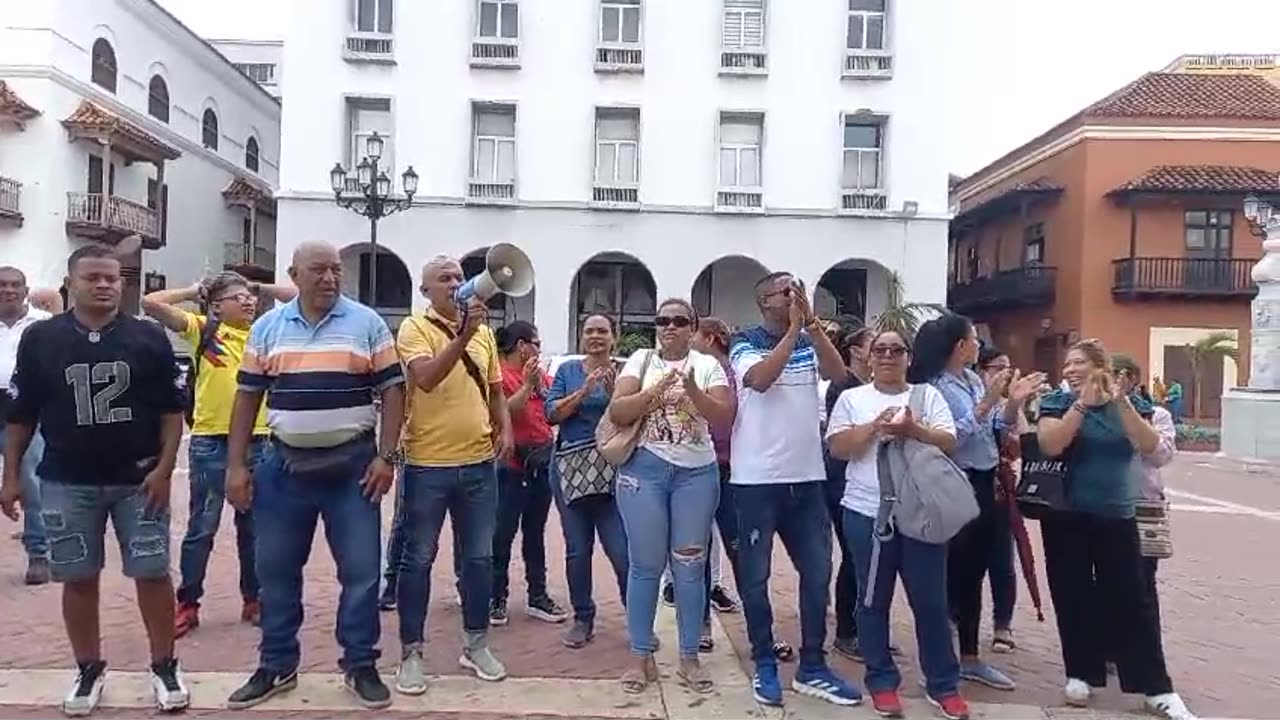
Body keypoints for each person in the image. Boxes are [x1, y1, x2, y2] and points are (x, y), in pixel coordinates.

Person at [0, 245, 189, 715]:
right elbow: (21, 416)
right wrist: (11, 476)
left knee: (151, 572)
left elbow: (171, 412)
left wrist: (165, 469)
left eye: (112, 278)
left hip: (139, 479)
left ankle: (164, 664)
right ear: (72, 283)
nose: (105, 285)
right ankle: (88, 667)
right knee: (78, 577)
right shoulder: (42, 339)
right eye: (93, 278)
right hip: (67, 478)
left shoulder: (147, 337)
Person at [224, 241, 406, 710]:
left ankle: (360, 663)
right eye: (318, 270)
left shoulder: (367, 324)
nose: (329, 278)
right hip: (283, 471)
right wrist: (237, 466)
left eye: (335, 270)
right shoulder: (267, 328)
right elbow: (246, 398)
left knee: (363, 574)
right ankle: (277, 664)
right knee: (276, 573)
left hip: (354, 471)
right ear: (294, 274)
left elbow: (394, 391)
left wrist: (387, 457)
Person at [1036, 339, 1195, 720]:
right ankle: (1081, 673)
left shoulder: (1134, 405)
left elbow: (1150, 446)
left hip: (1118, 515)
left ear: (1100, 367)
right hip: (1066, 515)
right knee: (1073, 595)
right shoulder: (1057, 403)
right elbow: (1050, 444)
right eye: (1067, 364)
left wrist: (1118, 401)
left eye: (1079, 363)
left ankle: (1155, 687)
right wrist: (1080, 406)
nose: (1070, 369)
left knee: (1132, 600)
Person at [729, 272, 861, 708]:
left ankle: (813, 665)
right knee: (756, 577)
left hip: (806, 478)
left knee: (818, 572)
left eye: (798, 289)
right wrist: (791, 332)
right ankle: (764, 660)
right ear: (765, 300)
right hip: (755, 481)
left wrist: (813, 328)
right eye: (787, 291)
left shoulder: (808, 339)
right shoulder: (743, 341)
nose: (796, 296)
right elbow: (761, 380)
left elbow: (839, 374)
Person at [141, 272, 297, 636]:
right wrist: (193, 289)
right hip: (212, 440)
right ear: (215, 307)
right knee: (202, 527)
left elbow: (298, 298)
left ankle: (254, 599)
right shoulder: (202, 330)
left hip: (260, 440)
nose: (247, 302)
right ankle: (188, 602)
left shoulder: (266, 333)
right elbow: (151, 303)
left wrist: (261, 288)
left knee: (254, 528)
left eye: (250, 297)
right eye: (237, 297)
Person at [826, 329, 969, 720]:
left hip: (921, 514)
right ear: (869, 358)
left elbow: (949, 441)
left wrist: (913, 431)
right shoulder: (852, 399)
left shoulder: (928, 396)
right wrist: (874, 427)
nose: (888, 355)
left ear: (908, 357)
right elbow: (838, 448)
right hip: (866, 514)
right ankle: (882, 681)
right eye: (881, 349)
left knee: (932, 603)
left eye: (896, 349)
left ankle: (943, 684)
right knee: (871, 602)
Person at [393, 255, 513, 693]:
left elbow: (496, 388)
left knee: (479, 560)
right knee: (418, 558)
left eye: (459, 277)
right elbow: (425, 378)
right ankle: (411, 653)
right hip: (427, 465)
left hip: (479, 464)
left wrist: (506, 426)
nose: (455, 283)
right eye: (444, 278)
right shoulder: (413, 329)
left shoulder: (481, 333)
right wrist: (463, 334)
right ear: (426, 291)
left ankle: (476, 643)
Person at [609, 298, 733, 695]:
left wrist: (693, 388)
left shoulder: (708, 364)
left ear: (693, 327)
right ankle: (639, 655)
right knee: (645, 565)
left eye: (680, 321)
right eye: (663, 320)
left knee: (690, 566)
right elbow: (618, 411)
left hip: (695, 475)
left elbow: (723, 416)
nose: (670, 327)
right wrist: (655, 391)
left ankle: (688, 658)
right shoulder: (640, 361)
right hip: (644, 469)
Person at [908, 314, 1033, 692]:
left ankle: (968, 656)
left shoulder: (973, 380)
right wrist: (987, 403)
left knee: (977, 568)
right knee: (957, 571)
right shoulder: (934, 388)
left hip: (985, 481)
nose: (979, 344)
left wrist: (1012, 404)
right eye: (973, 339)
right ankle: (953, 655)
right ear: (960, 346)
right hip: (954, 482)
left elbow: (996, 428)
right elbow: (952, 438)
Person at [544, 314, 629, 649]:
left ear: (614, 337)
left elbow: (631, 414)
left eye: (602, 331)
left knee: (621, 552)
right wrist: (584, 391)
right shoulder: (567, 371)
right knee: (578, 550)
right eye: (589, 331)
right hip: (571, 469)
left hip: (612, 471)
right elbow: (552, 414)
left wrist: (611, 391)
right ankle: (583, 617)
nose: (595, 336)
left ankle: (635, 619)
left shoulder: (624, 371)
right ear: (581, 337)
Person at [488, 320, 569, 626]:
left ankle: (538, 596)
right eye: (536, 343)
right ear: (522, 345)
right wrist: (526, 385)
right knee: (501, 533)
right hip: (510, 467)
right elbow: (504, 411)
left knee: (535, 533)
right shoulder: (499, 375)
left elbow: (554, 407)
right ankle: (497, 597)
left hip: (542, 464)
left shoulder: (540, 377)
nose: (539, 349)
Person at [975, 346, 1045, 653]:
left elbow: (1022, 447)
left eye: (1007, 366)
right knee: (963, 559)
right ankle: (958, 617)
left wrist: (1013, 410)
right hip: (965, 489)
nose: (1004, 372)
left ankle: (1002, 625)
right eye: (996, 367)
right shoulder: (971, 401)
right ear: (981, 371)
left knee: (1002, 560)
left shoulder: (1010, 405)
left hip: (1000, 491)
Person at [689, 316, 742, 650]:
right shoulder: (695, 372)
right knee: (700, 550)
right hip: (701, 467)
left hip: (734, 471)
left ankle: (760, 626)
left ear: (709, 338)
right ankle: (701, 624)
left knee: (741, 549)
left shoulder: (736, 373)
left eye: (693, 332)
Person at [823, 325, 873, 660]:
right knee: (854, 556)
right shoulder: (844, 387)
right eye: (875, 345)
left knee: (866, 557)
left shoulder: (870, 388)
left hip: (859, 480)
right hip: (841, 480)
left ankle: (862, 625)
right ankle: (846, 631)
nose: (883, 353)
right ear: (855, 350)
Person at [0, 266, 52, 585]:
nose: (7, 290)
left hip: (27, 406)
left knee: (30, 478)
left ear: (25, 290)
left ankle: (38, 554)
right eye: (2, 285)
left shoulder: (44, 325)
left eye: (14, 285)